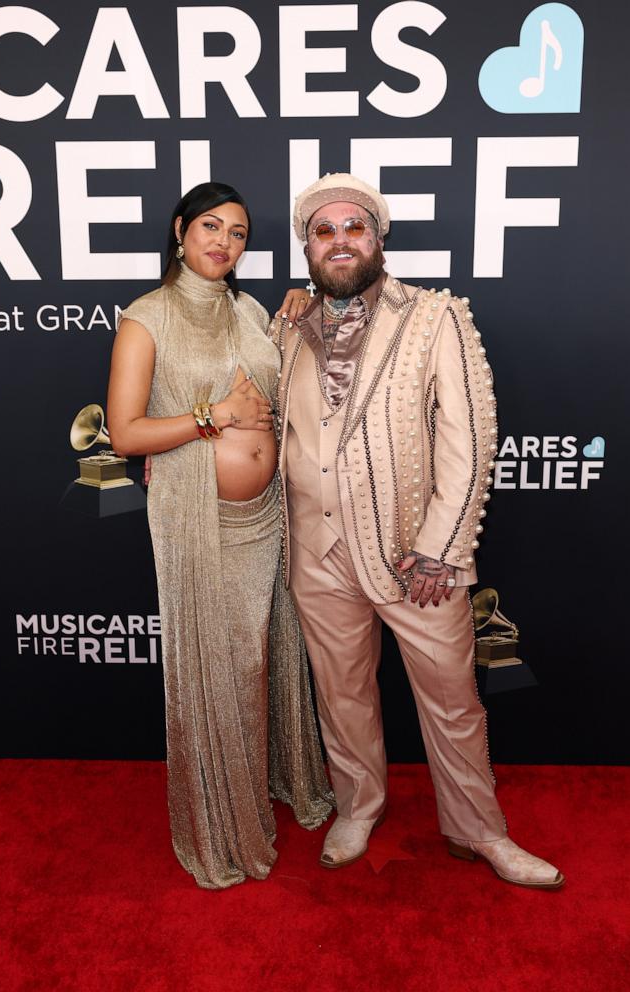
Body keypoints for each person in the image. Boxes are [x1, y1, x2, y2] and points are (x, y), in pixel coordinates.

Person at [270, 172, 564, 890]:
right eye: (322, 230)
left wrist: (442, 548)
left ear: (378, 237)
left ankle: (478, 831)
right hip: (316, 550)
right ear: (307, 246)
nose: (339, 241)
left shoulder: (435, 316)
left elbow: (471, 439)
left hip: (414, 558)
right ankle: (357, 807)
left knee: (453, 702)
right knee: (340, 694)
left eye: (353, 227)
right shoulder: (285, 324)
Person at [107, 182, 332, 890]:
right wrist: (210, 417)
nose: (223, 243)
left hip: (270, 520)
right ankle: (224, 823)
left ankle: (273, 781)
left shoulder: (250, 309)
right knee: (223, 672)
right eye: (210, 226)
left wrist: (296, 311)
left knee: (263, 664)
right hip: (199, 522)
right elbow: (125, 433)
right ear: (179, 230)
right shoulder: (147, 319)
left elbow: (281, 383)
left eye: (236, 234)